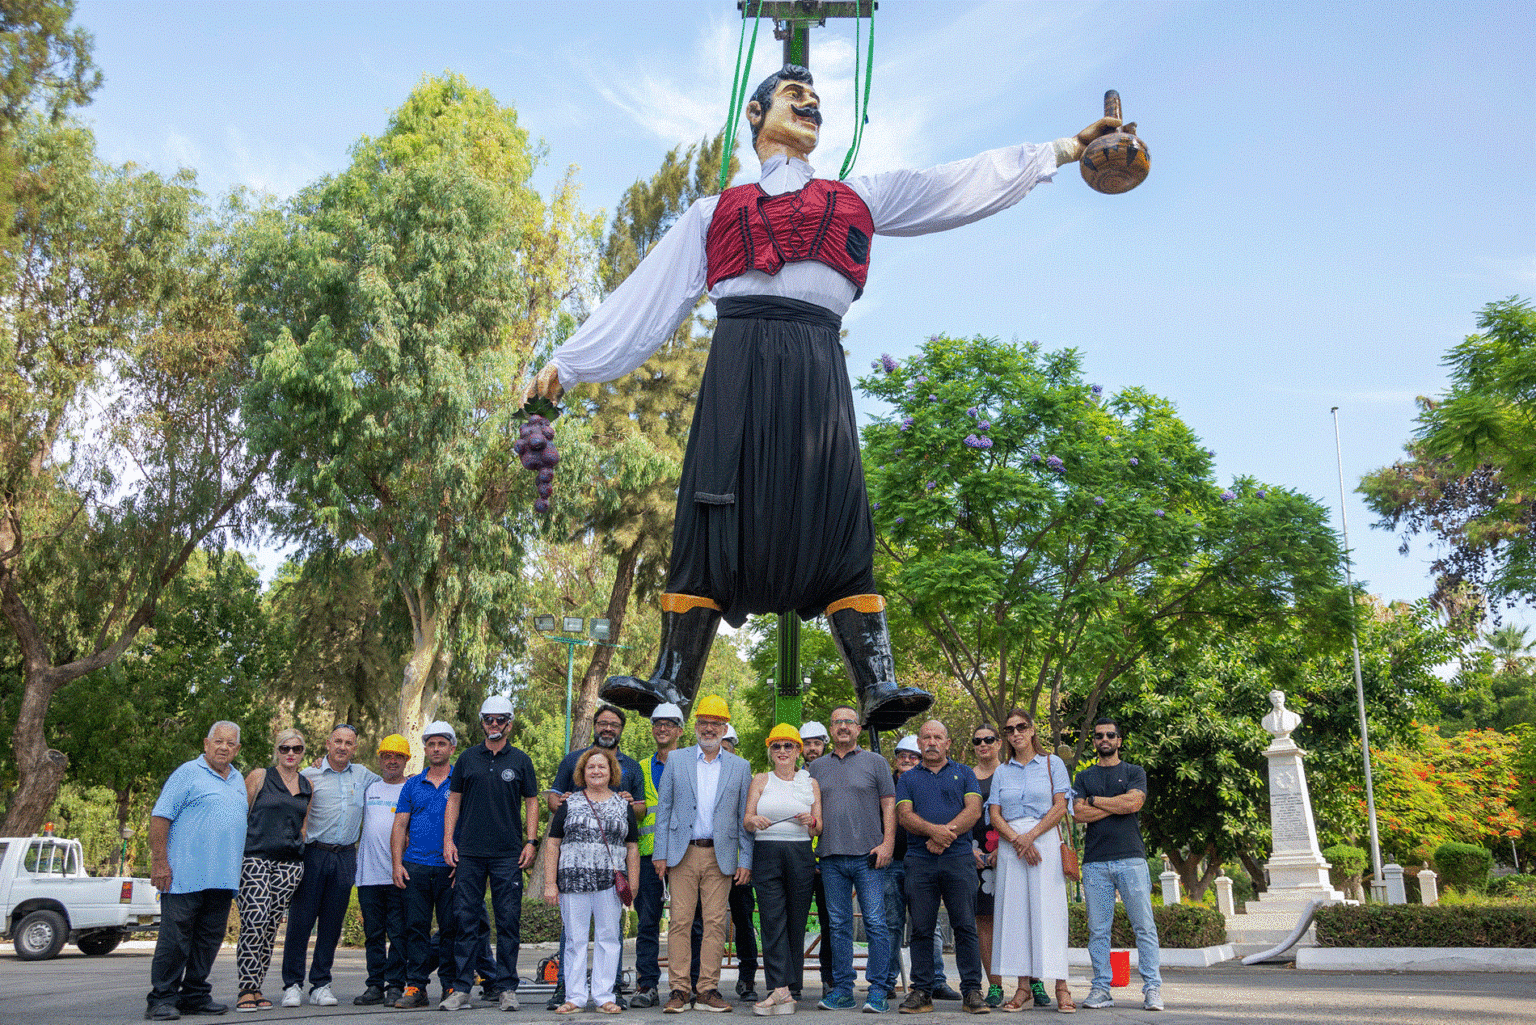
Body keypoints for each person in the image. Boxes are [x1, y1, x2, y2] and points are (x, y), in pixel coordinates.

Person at [528, 64, 1120, 732]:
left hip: (817, 363)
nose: (810, 104)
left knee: (842, 514)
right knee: (706, 511)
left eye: (817, 100)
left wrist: (1064, 151)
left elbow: (957, 183)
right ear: (755, 115)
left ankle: (876, 682)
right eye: (793, 96)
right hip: (738, 363)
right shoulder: (711, 212)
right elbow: (645, 299)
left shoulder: (860, 196)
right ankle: (672, 675)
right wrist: (569, 365)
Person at [653, 694, 754, 1013]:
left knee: (715, 924)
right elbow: (665, 808)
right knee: (680, 922)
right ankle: (679, 990)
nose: (709, 729)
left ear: (725, 728)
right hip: (683, 854)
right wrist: (660, 853)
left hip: (721, 856)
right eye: (704, 723)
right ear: (695, 725)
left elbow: (743, 816)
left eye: (716, 724)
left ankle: (708, 989)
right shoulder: (678, 760)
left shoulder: (741, 767)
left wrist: (746, 860)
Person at [545, 705, 648, 1011]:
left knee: (608, 939)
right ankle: (574, 997)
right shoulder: (569, 804)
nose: (597, 771)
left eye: (602, 768)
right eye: (591, 768)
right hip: (572, 883)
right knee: (575, 940)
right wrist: (550, 883)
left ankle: (605, 996)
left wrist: (635, 885)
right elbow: (552, 845)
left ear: (611, 772)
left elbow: (632, 848)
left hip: (609, 883)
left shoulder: (622, 806)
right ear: (582, 772)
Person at [441, 695, 541, 1011]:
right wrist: (448, 841)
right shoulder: (468, 759)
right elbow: (453, 800)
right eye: (488, 719)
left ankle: (507, 988)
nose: (494, 724)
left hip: (508, 854)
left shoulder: (522, 760)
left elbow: (532, 802)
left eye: (500, 719)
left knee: (508, 921)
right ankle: (461, 989)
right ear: (482, 722)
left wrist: (531, 841)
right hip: (469, 853)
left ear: (510, 723)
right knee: (465, 920)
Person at [145, 721, 248, 1020]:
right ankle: (162, 998)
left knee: (208, 941)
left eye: (230, 743)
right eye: (218, 741)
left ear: (237, 749)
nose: (224, 747)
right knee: (175, 940)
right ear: (206, 743)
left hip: (222, 878)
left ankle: (194, 995)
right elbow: (160, 817)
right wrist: (160, 862)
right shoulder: (187, 773)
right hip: (183, 876)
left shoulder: (238, 779)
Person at [281, 724, 380, 1007]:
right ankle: (292, 984)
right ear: (327, 743)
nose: (342, 747)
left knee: (332, 923)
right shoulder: (308, 775)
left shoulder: (363, 775)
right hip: (313, 853)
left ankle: (321, 984)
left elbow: (393, 780)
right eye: (338, 741)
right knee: (301, 921)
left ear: (355, 747)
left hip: (345, 856)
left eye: (349, 743)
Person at [895, 720, 988, 1015]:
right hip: (920, 861)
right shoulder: (908, 779)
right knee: (921, 927)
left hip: (959, 859)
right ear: (920, 744)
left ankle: (972, 991)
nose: (932, 742)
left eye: (938, 737)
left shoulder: (965, 773)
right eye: (926, 737)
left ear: (947, 743)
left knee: (964, 925)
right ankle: (922, 991)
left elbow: (973, 810)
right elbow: (905, 816)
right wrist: (936, 834)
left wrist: (943, 835)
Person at [806, 706, 895, 1013]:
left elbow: (889, 806)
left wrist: (888, 844)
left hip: (869, 857)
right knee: (839, 926)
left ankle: (879, 990)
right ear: (831, 730)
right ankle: (843, 990)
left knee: (875, 923)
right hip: (830, 857)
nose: (843, 726)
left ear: (858, 729)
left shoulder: (876, 762)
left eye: (849, 722)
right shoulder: (816, 768)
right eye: (837, 722)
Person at [1073, 717, 1163, 1013]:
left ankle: (1152, 989)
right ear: (1094, 741)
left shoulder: (1134, 771)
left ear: (1119, 740)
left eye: (1110, 735)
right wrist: (1116, 804)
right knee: (1098, 930)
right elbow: (1078, 815)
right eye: (1099, 735)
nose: (1104, 739)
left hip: (1132, 859)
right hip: (1095, 863)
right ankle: (1101, 988)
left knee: (1144, 927)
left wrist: (1096, 800)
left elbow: (1134, 804)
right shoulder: (1084, 776)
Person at [989, 711, 1072, 1013]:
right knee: (1017, 916)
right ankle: (1023, 988)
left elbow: (1061, 806)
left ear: (1033, 730)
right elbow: (995, 813)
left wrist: (1032, 836)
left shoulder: (1053, 764)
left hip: (1044, 840)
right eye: (1009, 729)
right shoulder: (1002, 771)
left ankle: (1061, 986)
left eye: (1021, 727)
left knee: (1052, 914)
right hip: (1013, 847)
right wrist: (1017, 839)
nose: (1015, 733)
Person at [743, 724, 821, 1016]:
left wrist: (810, 822)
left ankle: (789, 989)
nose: (783, 751)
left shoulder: (809, 783)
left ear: (798, 750)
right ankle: (780, 990)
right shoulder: (761, 780)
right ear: (770, 751)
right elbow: (747, 819)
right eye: (777, 746)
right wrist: (756, 821)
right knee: (772, 919)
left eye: (789, 746)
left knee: (796, 921)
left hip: (800, 852)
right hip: (767, 851)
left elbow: (819, 827)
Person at [233, 728, 311, 1012]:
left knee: (269, 927)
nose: (290, 753)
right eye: (285, 748)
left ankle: (258, 987)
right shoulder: (259, 776)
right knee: (255, 919)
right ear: (277, 751)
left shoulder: (307, 785)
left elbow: (303, 827)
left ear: (303, 753)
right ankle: (246, 988)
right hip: (254, 859)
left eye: (297, 749)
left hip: (289, 865)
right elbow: (237, 814)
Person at [882, 736, 955, 1002]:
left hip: (924, 861)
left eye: (913, 756)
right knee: (890, 924)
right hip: (890, 864)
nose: (908, 760)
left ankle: (935, 980)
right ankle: (886, 981)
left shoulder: (928, 782)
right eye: (902, 755)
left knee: (928, 924)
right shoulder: (885, 784)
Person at [392, 721, 459, 1008]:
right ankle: (416, 987)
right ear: (425, 748)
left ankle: (451, 987)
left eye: (441, 743)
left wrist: (464, 861)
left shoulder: (461, 782)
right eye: (431, 744)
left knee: (450, 929)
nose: (435, 748)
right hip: (415, 866)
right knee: (415, 929)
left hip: (449, 867)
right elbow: (399, 825)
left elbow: (469, 825)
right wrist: (397, 864)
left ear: (451, 748)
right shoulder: (411, 784)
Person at [630, 702, 686, 1008]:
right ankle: (647, 985)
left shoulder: (691, 764)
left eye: (668, 723)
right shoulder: (638, 767)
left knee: (688, 923)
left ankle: (685, 985)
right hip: (648, 856)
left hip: (684, 856)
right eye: (657, 723)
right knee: (648, 923)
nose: (661, 728)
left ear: (679, 730)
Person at [353, 734, 411, 1006]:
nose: (392, 761)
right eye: (387, 756)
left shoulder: (411, 789)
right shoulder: (370, 788)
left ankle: (395, 985)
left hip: (398, 874)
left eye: (397, 756)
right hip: (368, 875)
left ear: (406, 761)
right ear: (380, 759)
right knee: (374, 934)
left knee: (398, 934)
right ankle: (375, 985)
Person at [720, 725, 760, 1003]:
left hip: (736, 865)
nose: (722, 750)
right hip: (706, 860)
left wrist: (745, 861)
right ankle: (698, 978)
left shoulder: (742, 774)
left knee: (743, 921)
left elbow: (747, 822)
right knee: (700, 922)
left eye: (727, 745)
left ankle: (747, 978)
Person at [796, 720, 834, 999]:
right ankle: (792, 983)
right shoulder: (792, 778)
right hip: (798, 861)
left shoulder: (833, 777)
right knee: (794, 922)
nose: (812, 748)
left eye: (817, 743)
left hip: (828, 862)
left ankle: (830, 980)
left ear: (824, 745)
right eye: (807, 743)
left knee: (831, 923)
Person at [969, 725, 1004, 1008]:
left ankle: (1032, 982)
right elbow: (958, 813)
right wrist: (969, 848)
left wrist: (1004, 849)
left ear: (999, 743)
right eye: (978, 741)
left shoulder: (1011, 772)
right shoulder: (965, 776)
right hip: (977, 857)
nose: (983, 745)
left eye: (989, 740)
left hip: (1012, 851)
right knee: (985, 921)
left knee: (1020, 919)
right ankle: (995, 985)